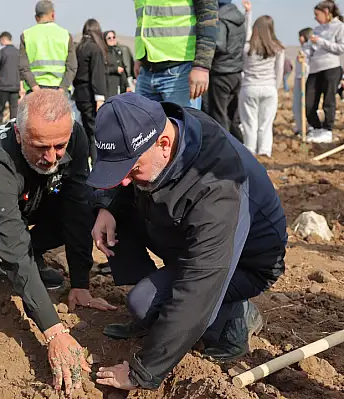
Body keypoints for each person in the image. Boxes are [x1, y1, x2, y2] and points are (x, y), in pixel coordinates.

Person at [87, 93, 287, 391]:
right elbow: (121, 177)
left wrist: (144, 372)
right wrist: (107, 206)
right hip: (185, 233)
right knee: (121, 202)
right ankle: (157, 313)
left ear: (164, 144)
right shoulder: (164, 125)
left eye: (132, 168)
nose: (125, 180)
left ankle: (234, 317)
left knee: (143, 302)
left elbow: (198, 286)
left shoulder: (218, 186)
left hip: (244, 263)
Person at [0, 90, 110, 396]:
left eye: (60, 146)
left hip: (30, 200)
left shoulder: (73, 135)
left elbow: (76, 208)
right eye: (40, 146)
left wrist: (80, 283)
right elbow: (14, 245)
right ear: (19, 134)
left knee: (81, 204)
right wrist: (54, 330)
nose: (52, 155)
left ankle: (36, 258)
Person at [133, 0, 218, 108]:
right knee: (142, 124)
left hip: (180, 71)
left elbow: (208, 17)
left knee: (184, 124)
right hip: (146, 70)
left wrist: (202, 65)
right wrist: (140, 56)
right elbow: (145, 20)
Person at [239, 1, 284, 157]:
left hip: (249, 88)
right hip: (269, 88)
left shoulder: (247, 48)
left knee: (249, 123)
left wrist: (248, 13)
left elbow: (246, 34)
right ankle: (265, 151)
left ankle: (250, 151)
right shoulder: (278, 48)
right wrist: (275, 88)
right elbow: (279, 72)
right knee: (265, 124)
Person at [202, 0, 246, 143]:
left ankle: (225, 148)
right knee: (232, 116)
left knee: (219, 115)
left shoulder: (220, 18)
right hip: (236, 72)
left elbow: (219, 45)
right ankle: (240, 147)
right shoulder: (238, 18)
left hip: (221, 73)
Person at [304, 0, 344, 140]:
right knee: (309, 103)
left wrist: (321, 42)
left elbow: (341, 47)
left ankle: (327, 130)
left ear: (326, 12)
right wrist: (304, 54)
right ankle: (316, 128)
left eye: (317, 14)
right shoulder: (317, 29)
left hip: (331, 68)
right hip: (314, 70)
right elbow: (309, 48)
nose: (315, 17)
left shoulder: (340, 27)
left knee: (328, 100)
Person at [19, 0, 77, 93]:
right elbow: (72, 66)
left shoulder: (26, 35)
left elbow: (23, 67)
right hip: (59, 88)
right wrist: (62, 89)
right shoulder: (65, 35)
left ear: (36, 17)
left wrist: (35, 88)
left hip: (34, 90)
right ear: (53, 14)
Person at [73, 19, 108, 166]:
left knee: (86, 131)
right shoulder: (95, 48)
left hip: (79, 94)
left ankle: (85, 162)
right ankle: (96, 164)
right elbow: (97, 75)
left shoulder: (79, 48)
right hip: (90, 94)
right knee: (95, 132)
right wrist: (100, 98)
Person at [0, 31, 21, 122]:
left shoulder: (3, 51)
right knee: (14, 109)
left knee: (0, 108)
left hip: (3, 85)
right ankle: (13, 129)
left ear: (3, 39)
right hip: (15, 85)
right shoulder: (17, 52)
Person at [104, 31, 130, 97]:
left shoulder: (118, 51)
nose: (112, 39)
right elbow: (102, 69)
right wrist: (115, 69)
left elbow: (122, 69)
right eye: (109, 38)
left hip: (120, 86)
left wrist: (127, 85)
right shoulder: (103, 53)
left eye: (113, 37)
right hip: (109, 87)